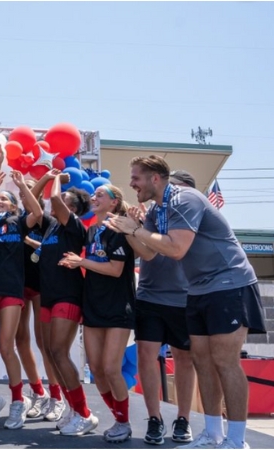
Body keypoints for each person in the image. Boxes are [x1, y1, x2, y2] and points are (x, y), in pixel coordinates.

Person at [107, 155, 266, 450]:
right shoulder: (157, 210)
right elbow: (152, 253)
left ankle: (236, 440)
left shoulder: (186, 198)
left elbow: (177, 249)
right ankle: (212, 434)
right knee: (202, 362)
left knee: (224, 361)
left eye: (136, 178)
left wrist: (135, 229)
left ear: (156, 178)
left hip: (230, 284)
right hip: (198, 291)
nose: (131, 184)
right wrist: (128, 228)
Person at [60, 185, 136, 443]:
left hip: (117, 306)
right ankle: (117, 417)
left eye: (100, 195)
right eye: (94, 195)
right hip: (93, 305)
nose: (94, 198)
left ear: (114, 203)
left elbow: (115, 269)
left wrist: (80, 262)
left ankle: (123, 423)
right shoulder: (92, 230)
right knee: (96, 368)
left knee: (111, 368)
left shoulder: (120, 228)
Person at [126, 169, 196, 446]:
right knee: (146, 355)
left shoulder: (193, 213)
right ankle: (154, 418)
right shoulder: (153, 215)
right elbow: (146, 251)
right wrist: (135, 226)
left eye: (176, 189)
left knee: (184, 359)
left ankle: (184, 419)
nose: (170, 194)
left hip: (184, 296)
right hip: (150, 295)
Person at [0, 164, 43, 430]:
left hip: (12, 293)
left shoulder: (18, 223)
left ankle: (18, 401)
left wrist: (23, 186)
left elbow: (37, 212)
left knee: (6, 346)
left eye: (5, 198)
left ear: (14, 207)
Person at [36, 173, 99, 436]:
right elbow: (37, 200)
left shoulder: (74, 225)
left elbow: (51, 197)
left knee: (60, 353)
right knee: (51, 353)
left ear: (71, 208)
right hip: (48, 296)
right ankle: (74, 409)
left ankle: (84, 413)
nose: (57, 202)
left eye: (64, 200)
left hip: (68, 295)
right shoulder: (52, 227)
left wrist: (56, 178)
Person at [16, 172, 60, 422]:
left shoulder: (44, 218)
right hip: (20, 285)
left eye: (29, 192)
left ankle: (56, 396)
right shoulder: (15, 219)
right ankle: (38, 391)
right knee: (21, 339)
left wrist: (40, 180)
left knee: (45, 343)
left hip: (42, 285)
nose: (25, 196)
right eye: (22, 193)